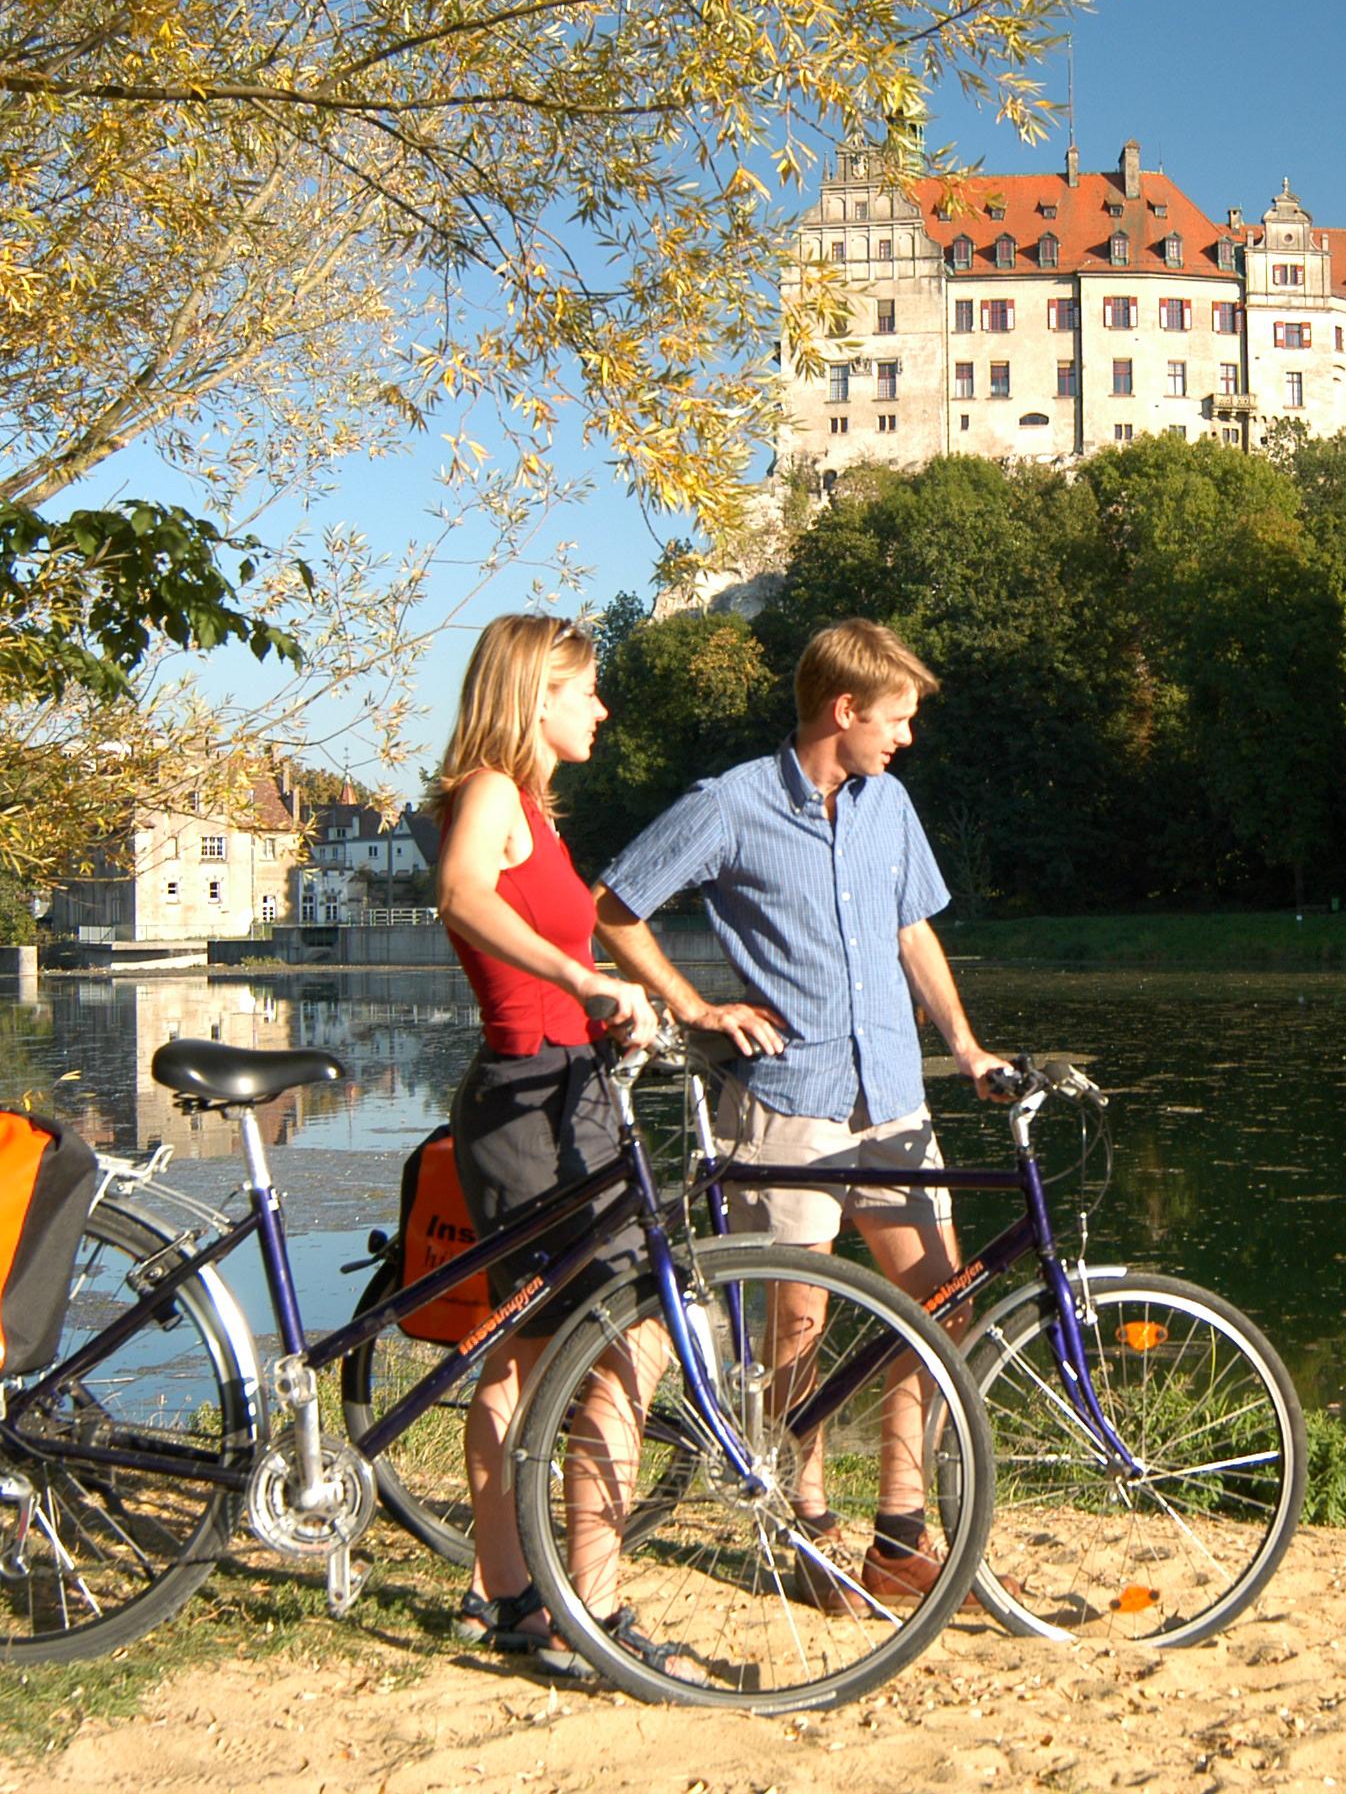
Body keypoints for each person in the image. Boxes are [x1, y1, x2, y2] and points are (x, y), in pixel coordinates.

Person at [593, 617, 1005, 1607]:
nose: (904, 737)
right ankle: (803, 1515)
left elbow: (912, 929)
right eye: (894, 718)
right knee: (796, 1325)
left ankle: (900, 1524)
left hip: (893, 1097)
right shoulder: (729, 804)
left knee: (942, 1306)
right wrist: (693, 1006)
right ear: (844, 708)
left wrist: (963, 1045)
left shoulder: (887, 802)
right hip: (784, 1100)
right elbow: (613, 904)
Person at [428, 613, 672, 1671]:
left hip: (564, 1089)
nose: (602, 707)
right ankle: (572, 1607)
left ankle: (519, 1595)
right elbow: (461, 893)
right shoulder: (489, 792)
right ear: (532, 694)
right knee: (590, 1348)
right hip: (529, 1100)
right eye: (585, 688)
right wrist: (580, 980)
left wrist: (634, 1007)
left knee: (556, 1353)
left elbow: (549, 931)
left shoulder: (535, 808)